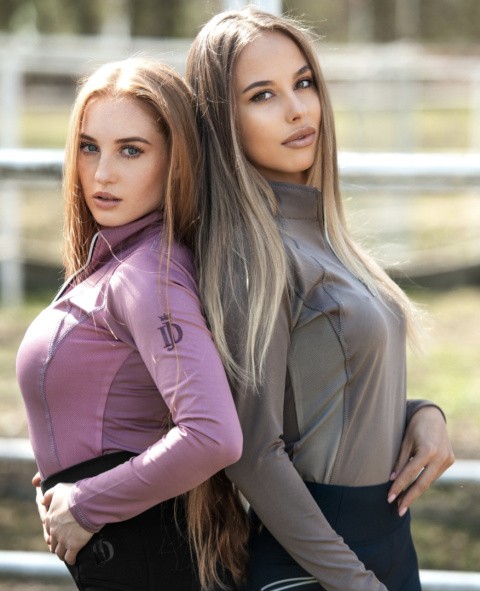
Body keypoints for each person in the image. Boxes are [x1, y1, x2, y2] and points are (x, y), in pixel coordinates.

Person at [185, 7, 455, 591]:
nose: (297, 109)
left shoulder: (323, 234)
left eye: (303, 83)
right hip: (317, 563)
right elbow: (253, 452)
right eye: (262, 95)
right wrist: (353, 582)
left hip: (387, 540)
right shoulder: (251, 254)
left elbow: (329, 391)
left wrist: (421, 413)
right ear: (221, 121)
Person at [16, 57, 246, 591]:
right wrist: (65, 471)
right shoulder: (113, 262)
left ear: (176, 161)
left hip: (149, 556)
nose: (102, 174)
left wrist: (86, 499)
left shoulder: (147, 276)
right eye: (89, 147)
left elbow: (213, 435)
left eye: (131, 150)